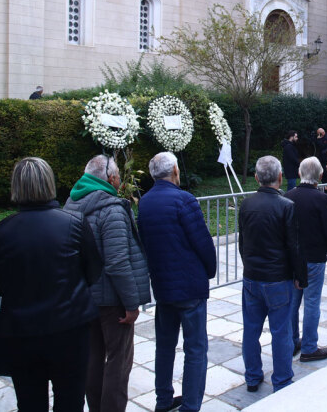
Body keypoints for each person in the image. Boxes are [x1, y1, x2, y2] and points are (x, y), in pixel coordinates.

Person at [0, 157, 102, 411]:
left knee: (30, 402)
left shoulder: (0, 232)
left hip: (22, 332)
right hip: (69, 329)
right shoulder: (73, 223)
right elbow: (93, 269)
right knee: (70, 400)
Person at [64, 155, 151, 412]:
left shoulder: (71, 204)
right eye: (117, 177)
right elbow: (117, 262)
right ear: (111, 178)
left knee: (93, 358)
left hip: (85, 297)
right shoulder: (111, 208)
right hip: (112, 302)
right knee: (118, 361)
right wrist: (131, 303)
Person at [138, 152, 216, 412]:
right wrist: (210, 269)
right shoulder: (184, 200)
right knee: (195, 349)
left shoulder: (145, 202)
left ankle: (163, 401)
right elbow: (202, 241)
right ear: (174, 171)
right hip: (189, 286)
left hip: (163, 286)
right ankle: (191, 405)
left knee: (165, 346)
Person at [238, 156, 308, 393]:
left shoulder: (246, 204)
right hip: (278, 279)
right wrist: (301, 277)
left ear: (257, 178)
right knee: (281, 331)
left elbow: (242, 242)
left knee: (251, 329)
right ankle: (282, 379)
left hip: (253, 277)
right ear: (280, 177)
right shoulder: (286, 206)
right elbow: (294, 246)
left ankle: (252, 376)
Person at [286, 157, 327, 362]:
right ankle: (308, 347)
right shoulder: (322, 199)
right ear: (320, 176)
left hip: (292, 258)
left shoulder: (287, 196)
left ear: (299, 174)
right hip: (315, 258)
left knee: (292, 303)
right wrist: (324, 249)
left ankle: (291, 343)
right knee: (312, 303)